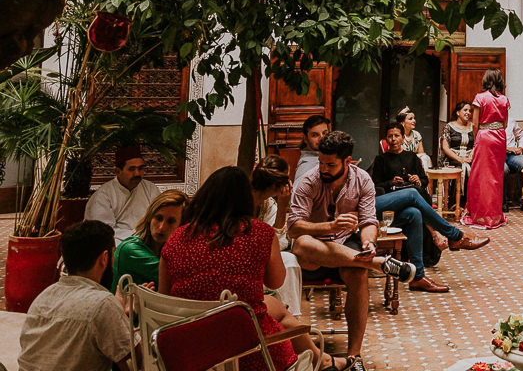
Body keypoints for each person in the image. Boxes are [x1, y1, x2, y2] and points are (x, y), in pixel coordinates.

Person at [288, 132, 417, 368]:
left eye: (330, 164)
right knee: (304, 244)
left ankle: (353, 356)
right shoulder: (308, 181)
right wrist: (330, 225)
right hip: (313, 251)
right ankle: (378, 263)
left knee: (358, 275)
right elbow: (294, 227)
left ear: (347, 161)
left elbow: (369, 221)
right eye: (321, 163)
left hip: (347, 245)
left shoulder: (362, 180)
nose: (323, 169)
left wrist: (369, 243)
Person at [160, 167, 300, 371]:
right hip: (250, 353)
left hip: (191, 355)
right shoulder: (260, 233)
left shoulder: (176, 238)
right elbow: (276, 281)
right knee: (275, 315)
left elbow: (164, 299)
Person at [371, 120, 489, 267]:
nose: (393, 139)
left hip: (414, 196)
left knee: (416, 207)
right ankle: (445, 234)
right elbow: (375, 186)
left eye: (396, 136)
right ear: (386, 139)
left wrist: (417, 180)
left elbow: (424, 179)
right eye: (390, 136)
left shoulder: (412, 157)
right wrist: (391, 182)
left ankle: (418, 269)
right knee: (415, 195)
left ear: (403, 138)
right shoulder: (381, 160)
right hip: (394, 198)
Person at [19, 220, 132, 371]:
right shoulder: (103, 304)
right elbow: (135, 362)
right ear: (104, 258)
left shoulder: (44, 296)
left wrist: (117, 316)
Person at [251, 156, 304, 314]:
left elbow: (277, 245)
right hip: (239, 259)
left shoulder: (268, 205)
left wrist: (282, 208)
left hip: (260, 259)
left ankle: (291, 317)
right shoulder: (242, 200)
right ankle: (287, 320)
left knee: (288, 259)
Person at [111, 188, 187, 288]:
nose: (161, 227)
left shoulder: (169, 248)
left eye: (171, 221)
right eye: (158, 218)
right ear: (150, 218)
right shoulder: (131, 249)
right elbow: (178, 280)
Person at [462, 68, 510, 228]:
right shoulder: (504, 99)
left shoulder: (480, 97)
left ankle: (480, 214)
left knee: (480, 176)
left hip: (484, 135)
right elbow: (506, 124)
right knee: (496, 177)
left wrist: (478, 138)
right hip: (500, 136)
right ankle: (494, 215)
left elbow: (475, 123)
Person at [84, 144, 161, 242]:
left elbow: (160, 218)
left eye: (140, 168)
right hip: (118, 242)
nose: (137, 173)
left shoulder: (150, 189)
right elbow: (102, 232)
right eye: (132, 169)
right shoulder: (103, 196)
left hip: (148, 239)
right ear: (117, 171)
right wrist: (137, 236)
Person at [441, 100, 476, 202]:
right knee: (461, 167)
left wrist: (471, 156)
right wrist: (460, 159)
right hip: (453, 158)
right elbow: (445, 147)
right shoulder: (449, 127)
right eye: (465, 110)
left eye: (470, 111)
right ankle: (455, 202)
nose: (468, 113)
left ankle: (472, 203)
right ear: (457, 112)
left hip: (469, 157)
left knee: (477, 167)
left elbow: (476, 144)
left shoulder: (472, 126)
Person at [504, 108, 523, 207]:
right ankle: (503, 202)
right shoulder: (491, 122)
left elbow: (522, 135)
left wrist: (520, 147)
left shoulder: (511, 121)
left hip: (512, 155)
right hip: (498, 155)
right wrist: (507, 148)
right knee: (504, 169)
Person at [295, 114, 331, 180]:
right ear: (306, 139)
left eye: (324, 133)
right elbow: (297, 190)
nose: (321, 138)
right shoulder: (307, 166)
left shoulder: (322, 157)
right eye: (315, 135)